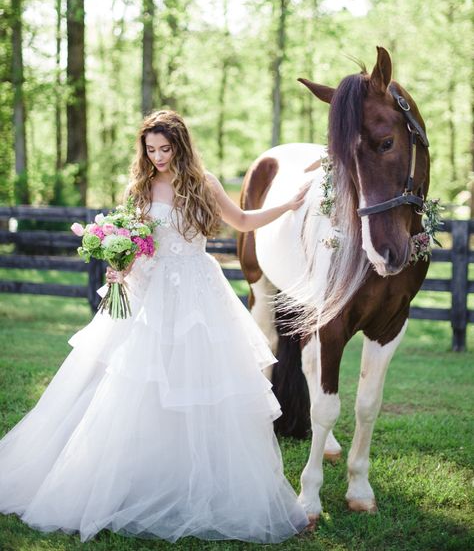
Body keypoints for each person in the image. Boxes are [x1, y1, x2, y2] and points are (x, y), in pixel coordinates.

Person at [0, 110, 310, 544]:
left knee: (199, 382)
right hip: (151, 291)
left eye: (165, 149)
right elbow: (134, 243)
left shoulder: (205, 182)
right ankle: (128, 475)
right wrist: (118, 266)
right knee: (135, 382)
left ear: (180, 146)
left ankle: (192, 478)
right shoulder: (140, 188)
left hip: (199, 294)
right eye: (151, 149)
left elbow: (241, 221)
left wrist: (288, 204)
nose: (159, 157)